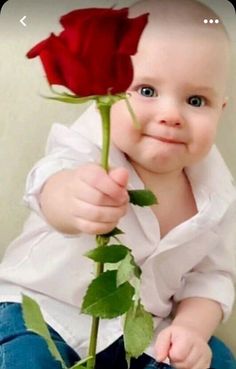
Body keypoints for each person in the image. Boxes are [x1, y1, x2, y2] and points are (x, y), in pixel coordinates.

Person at [0, 0, 236, 368]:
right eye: (146, 91)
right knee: (24, 359)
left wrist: (190, 330)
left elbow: (212, 278)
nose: (171, 115)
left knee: (217, 360)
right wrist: (73, 198)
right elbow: (48, 184)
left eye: (195, 100)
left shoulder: (218, 194)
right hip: (43, 312)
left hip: (140, 333)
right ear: (112, 86)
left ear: (220, 109)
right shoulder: (91, 146)